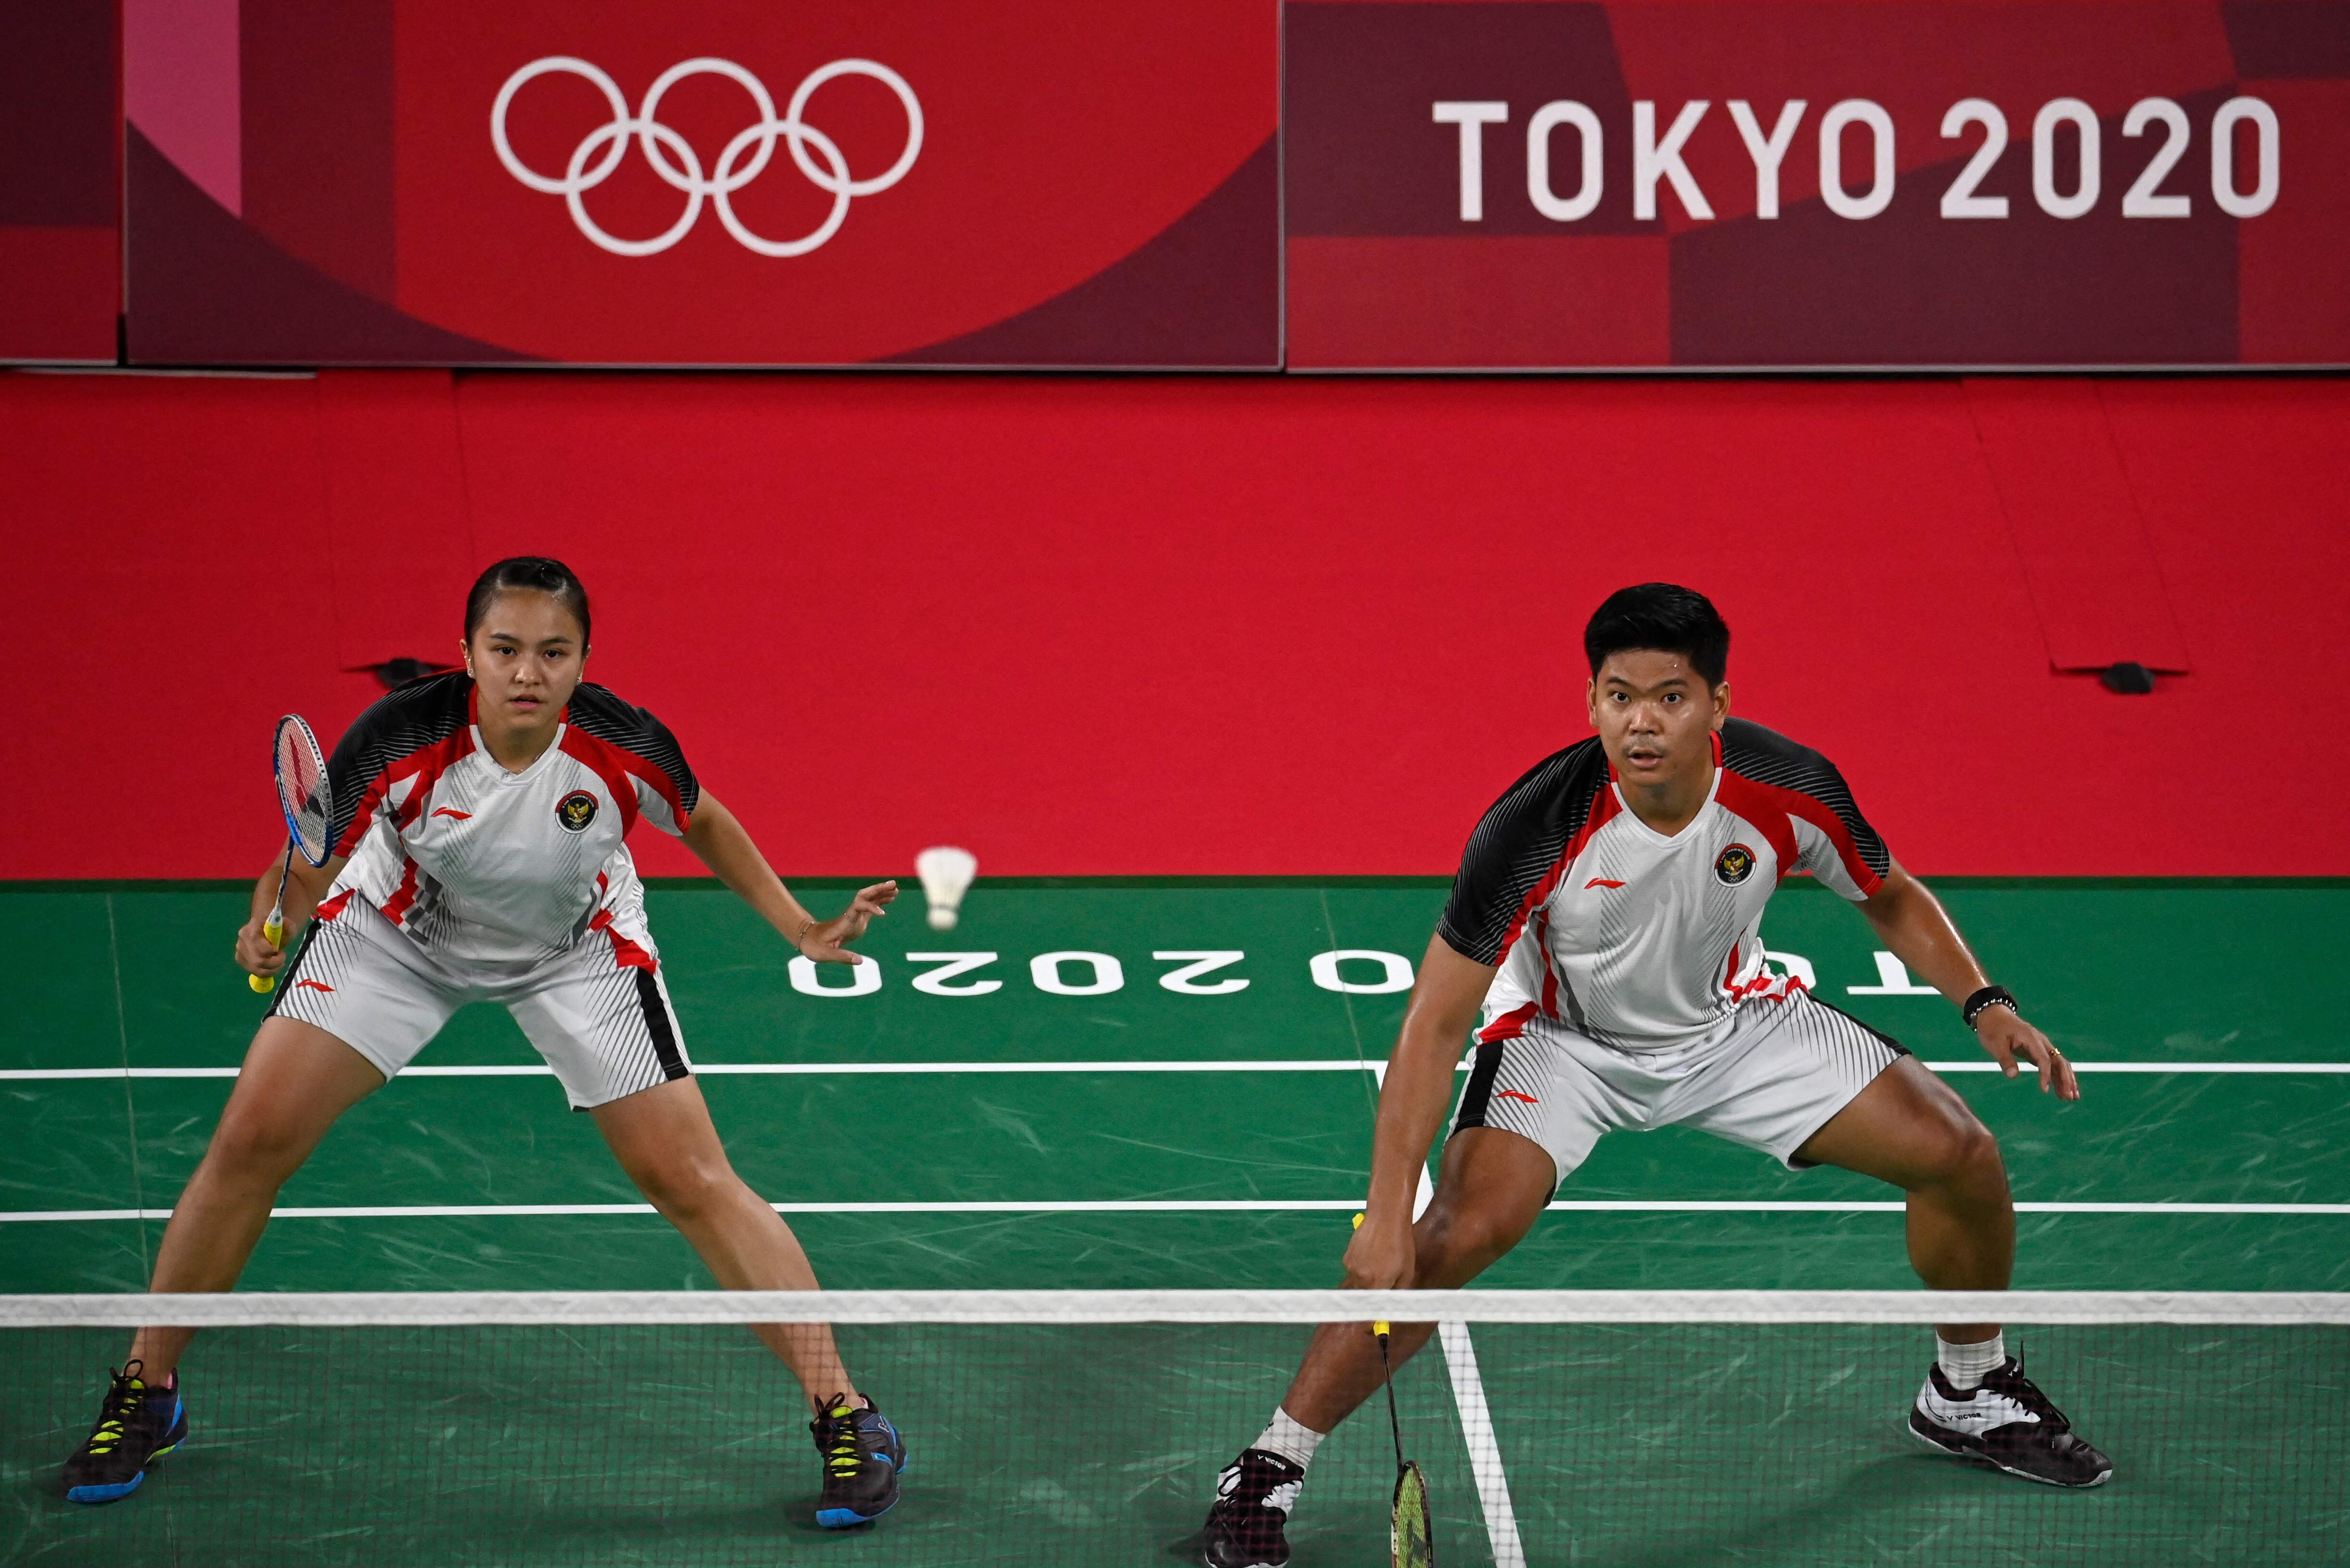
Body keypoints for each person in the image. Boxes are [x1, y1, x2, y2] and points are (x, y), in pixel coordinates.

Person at [1202, 582, 2110, 1568]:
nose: (1642, 721)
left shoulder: (1787, 785)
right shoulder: (1535, 825)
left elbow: (1885, 894)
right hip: (1564, 1041)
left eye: (1670, 697)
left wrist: (1983, 1001)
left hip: (1733, 1023)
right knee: (1455, 1233)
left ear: (1716, 703)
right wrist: (1383, 1210)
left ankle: (1967, 1388)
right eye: (1619, 695)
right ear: (1591, 704)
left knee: (1960, 1153)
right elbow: (1434, 1023)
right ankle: (1267, 1467)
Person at [63, 557, 909, 1529]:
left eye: (553, 652)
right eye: (505, 649)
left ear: (583, 660)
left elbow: (702, 818)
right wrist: (272, 922)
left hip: (574, 948)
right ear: (469, 654)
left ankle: (845, 1409)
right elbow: (307, 862)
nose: (527, 672)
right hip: (394, 937)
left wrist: (801, 927)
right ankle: (149, 1389)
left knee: (691, 1179)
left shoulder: (620, 743)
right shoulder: (400, 735)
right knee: (250, 1141)